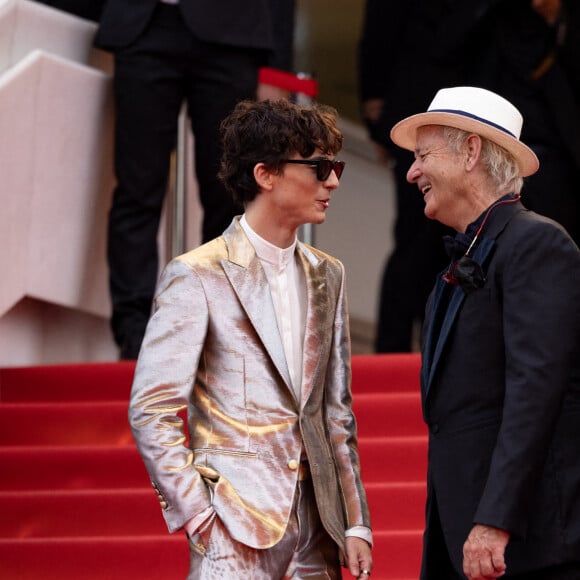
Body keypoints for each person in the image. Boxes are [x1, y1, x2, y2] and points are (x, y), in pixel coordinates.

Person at [128, 99, 373, 579]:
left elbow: (335, 413)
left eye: (337, 166)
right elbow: (151, 408)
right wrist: (198, 513)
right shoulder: (197, 275)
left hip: (319, 531)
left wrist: (355, 522)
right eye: (320, 167)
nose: (334, 182)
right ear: (266, 174)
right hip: (234, 524)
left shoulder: (330, 275)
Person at [389, 86, 580, 579]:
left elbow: (533, 394)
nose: (412, 173)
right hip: (463, 541)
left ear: (471, 151)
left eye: (422, 156)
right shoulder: (455, 269)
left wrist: (495, 520)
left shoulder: (536, 243)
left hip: (522, 548)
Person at [93, 0, 295, 359]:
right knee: (137, 188)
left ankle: (219, 325)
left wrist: (277, 64)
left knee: (229, 193)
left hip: (231, 35)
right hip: (144, 26)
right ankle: (134, 335)